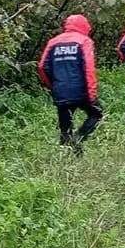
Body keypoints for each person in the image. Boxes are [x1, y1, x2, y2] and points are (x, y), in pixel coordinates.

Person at [38, 14, 103, 152]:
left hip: (60, 90)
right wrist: (91, 92)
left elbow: (42, 66)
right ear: (84, 26)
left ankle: (66, 156)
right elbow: (89, 68)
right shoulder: (84, 41)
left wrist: (52, 85)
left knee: (65, 127)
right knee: (97, 114)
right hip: (81, 91)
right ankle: (78, 138)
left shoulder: (53, 42)